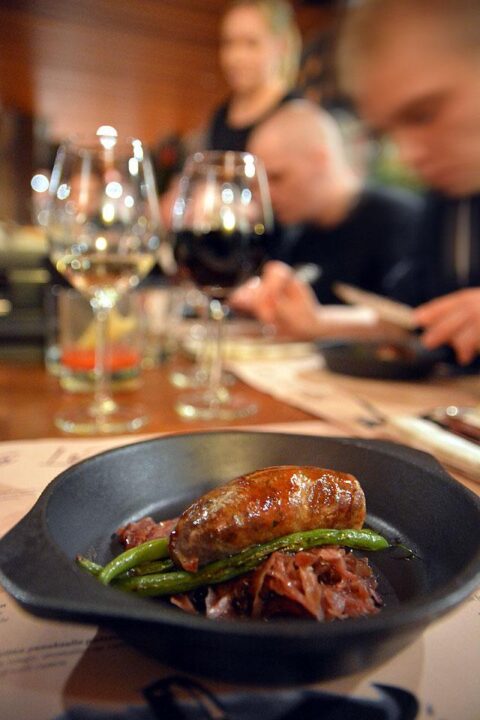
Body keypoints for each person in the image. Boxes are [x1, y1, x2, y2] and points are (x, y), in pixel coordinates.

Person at [236, 0, 480, 364]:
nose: (407, 155)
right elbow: (411, 319)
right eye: (388, 132)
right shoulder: (449, 201)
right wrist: (315, 322)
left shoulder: (403, 211)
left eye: (424, 114)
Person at [231, 100, 423, 339]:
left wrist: (320, 322)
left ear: (320, 159)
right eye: (258, 184)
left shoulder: (400, 220)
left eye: (277, 177)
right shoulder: (297, 233)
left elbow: (411, 320)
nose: (264, 196)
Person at [205, 0, 301, 152]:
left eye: (251, 43)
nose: (236, 56)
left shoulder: (298, 117)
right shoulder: (220, 115)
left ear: (281, 45)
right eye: (228, 43)